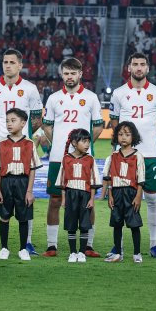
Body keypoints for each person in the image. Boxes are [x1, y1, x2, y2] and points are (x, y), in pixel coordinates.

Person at [0, 49, 43, 255]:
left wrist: (21, 137)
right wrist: (1, 136)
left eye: (12, 62)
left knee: (25, 194)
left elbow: (37, 119)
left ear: (20, 65)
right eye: (5, 62)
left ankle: (28, 242)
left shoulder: (30, 89)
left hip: (22, 148)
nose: (8, 65)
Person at [41, 58, 103, 258]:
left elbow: (99, 126)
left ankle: (88, 245)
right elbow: (46, 125)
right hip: (58, 158)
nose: (69, 77)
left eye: (73, 73)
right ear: (62, 74)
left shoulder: (91, 97)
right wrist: (61, 144)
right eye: (66, 73)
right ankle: (51, 246)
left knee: (87, 201)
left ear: (80, 74)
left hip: (85, 160)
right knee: (55, 199)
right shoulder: (53, 98)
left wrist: (83, 147)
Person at [109, 52, 156, 258]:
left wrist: (146, 138)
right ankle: (118, 246)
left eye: (143, 64)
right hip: (124, 156)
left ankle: (154, 244)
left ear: (148, 68)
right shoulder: (118, 93)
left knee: (151, 197)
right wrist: (126, 143)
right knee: (120, 198)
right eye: (135, 64)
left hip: (149, 153)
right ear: (129, 68)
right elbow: (114, 122)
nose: (139, 68)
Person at [0, 108, 41, 261]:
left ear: (23, 123)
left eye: (13, 121)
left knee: (23, 217)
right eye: (7, 121)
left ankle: (23, 249)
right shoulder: (2, 144)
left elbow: (32, 169)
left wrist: (29, 191)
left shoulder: (29, 144)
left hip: (23, 183)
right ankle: (4, 248)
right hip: (6, 182)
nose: (9, 124)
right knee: (4, 216)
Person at [54, 128, 102, 263]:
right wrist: (64, 199)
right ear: (74, 143)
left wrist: (92, 199)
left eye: (88, 142)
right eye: (84, 141)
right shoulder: (66, 159)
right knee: (71, 225)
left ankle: (82, 252)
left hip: (85, 195)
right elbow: (62, 181)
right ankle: (72, 252)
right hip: (71, 195)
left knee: (85, 224)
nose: (87, 145)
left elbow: (93, 181)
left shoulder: (90, 159)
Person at [101, 121, 145, 263]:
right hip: (116, 193)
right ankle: (118, 253)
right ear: (116, 137)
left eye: (127, 134)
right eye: (120, 134)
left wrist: (138, 196)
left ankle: (137, 253)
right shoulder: (113, 156)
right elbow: (109, 177)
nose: (123, 137)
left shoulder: (138, 156)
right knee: (117, 224)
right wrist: (109, 195)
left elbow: (141, 179)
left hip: (131, 194)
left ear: (133, 137)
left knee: (134, 225)